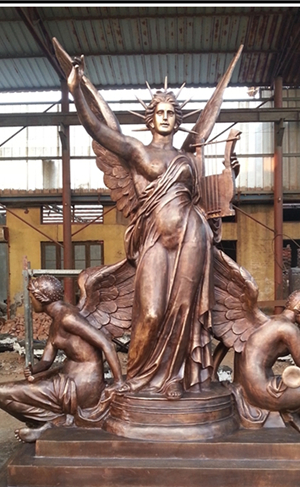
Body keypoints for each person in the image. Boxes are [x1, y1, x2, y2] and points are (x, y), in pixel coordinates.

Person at [67, 62, 215, 399]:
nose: (165, 117)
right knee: (151, 312)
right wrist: (79, 90)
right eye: (160, 112)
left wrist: (230, 173)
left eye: (171, 113)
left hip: (192, 236)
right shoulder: (137, 150)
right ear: (151, 118)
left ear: (178, 120)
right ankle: (137, 376)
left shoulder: (188, 158)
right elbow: (100, 128)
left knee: (183, 311)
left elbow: (204, 200)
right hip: (154, 240)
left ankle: (175, 378)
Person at [0, 275, 125, 442]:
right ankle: (48, 423)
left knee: (0, 393)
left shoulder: (68, 318)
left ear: (42, 298)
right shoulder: (56, 321)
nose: (30, 301)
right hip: (67, 379)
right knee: (4, 392)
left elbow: (106, 343)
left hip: (81, 386)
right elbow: (46, 360)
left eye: (31, 297)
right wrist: (34, 370)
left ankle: (55, 424)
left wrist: (118, 382)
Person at [231, 289, 300, 434]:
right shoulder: (288, 329)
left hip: (248, 387)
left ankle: (290, 412)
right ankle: (293, 414)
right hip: (263, 392)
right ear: (299, 308)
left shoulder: (270, 321)